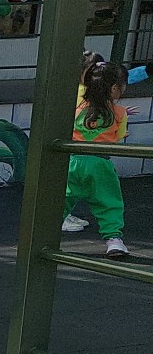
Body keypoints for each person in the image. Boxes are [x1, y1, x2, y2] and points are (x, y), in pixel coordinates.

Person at [64, 61, 132, 258]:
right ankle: (114, 241)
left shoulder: (76, 107)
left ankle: (41, 237)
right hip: (99, 163)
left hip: (72, 160)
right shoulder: (119, 112)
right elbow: (118, 137)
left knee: (61, 200)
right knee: (109, 202)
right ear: (114, 88)